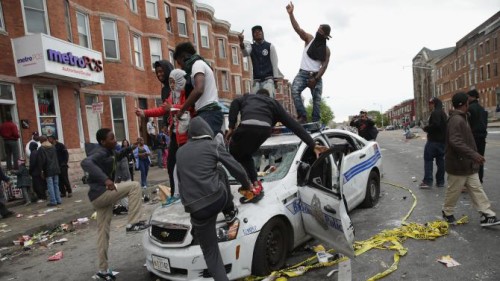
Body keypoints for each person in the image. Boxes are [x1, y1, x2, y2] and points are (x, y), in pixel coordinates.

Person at [176, 117, 252, 281]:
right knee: (220, 170)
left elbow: (183, 182)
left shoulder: (179, 152)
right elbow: (236, 168)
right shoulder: (212, 145)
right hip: (216, 199)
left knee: (211, 253)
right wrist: (248, 185)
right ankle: (229, 211)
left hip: (195, 209)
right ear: (206, 132)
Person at [226, 88, 328, 203]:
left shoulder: (249, 97)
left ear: (257, 95)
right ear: (269, 96)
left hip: (246, 126)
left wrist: (231, 126)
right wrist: (312, 144)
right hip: (264, 130)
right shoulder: (274, 104)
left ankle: (247, 185)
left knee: (233, 151)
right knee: (247, 155)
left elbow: (235, 103)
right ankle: (256, 185)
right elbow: (294, 125)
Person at [81, 128, 149, 280]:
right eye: (112, 138)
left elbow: (120, 154)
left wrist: (133, 146)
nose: (115, 140)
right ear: (103, 142)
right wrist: (105, 179)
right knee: (134, 186)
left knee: (103, 234)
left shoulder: (110, 152)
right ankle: (133, 222)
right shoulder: (100, 152)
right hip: (102, 194)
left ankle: (102, 271)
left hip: (98, 198)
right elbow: (86, 162)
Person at [136, 68, 194, 205]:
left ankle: (187, 192)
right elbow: (162, 109)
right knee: (172, 165)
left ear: (180, 81)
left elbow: (190, 108)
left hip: (186, 134)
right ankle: (176, 194)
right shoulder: (172, 95)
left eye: (174, 82)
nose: (172, 85)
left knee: (184, 165)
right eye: (170, 82)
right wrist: (144, 112)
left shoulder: (187, 92)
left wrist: (173, 107)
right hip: (176, 134)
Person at [442, 92, 500, 227]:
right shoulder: (456, 120)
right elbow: (455, 141)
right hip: (458, 164)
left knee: (477, 188)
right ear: (464, 104)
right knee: (453, 191)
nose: (470, 103)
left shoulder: (463, 117)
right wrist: (474, 155)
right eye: (468, 101)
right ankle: (447, 212)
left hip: (467, 164)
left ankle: (487, 215)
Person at [286, 2, 331, 124]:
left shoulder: (326, 50)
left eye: (320, 31)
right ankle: (302, 116)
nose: (318, 32)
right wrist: (291, 14)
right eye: (318, 29)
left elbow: (324, 66)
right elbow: (297, 29)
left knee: (316, 99)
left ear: (325, 36)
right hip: (303, 73)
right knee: (294, 90)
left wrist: (315, 79)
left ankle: (316, 121)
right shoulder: (309, 39)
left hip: (316, 75)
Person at [173, 42, 224, 136]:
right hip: (206, 113)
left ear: (184, 57)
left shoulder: (197, 64)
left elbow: (199, 89)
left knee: (202, 147)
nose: (182, 68)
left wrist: (182, 110)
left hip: (209, 113)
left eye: (180, 64)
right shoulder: (200, 64)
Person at [238, 25, 282, 97]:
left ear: (262, 33)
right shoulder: (251, 47)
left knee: (268, 98)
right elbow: (245, 53)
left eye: (259, 31)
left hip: (268, 79)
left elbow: (274, 63)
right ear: (253, 36)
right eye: (255, 32)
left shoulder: (270, 46)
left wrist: (276, 80)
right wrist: (241, 43)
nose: (258, 33)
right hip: (256, 80)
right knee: (256, 100)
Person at [419, 98, 447, 189]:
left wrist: (426, 128)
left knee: (428, 160)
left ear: (434, 104)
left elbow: (436, 125)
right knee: (440, 162)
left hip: (433, 141)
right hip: (442, 142)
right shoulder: (444, 113)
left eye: (430, 103)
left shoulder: (435, 113)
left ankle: (428, 181)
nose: (429, 105)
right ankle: (440, 181)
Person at [467, 90, 488, 183]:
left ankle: (472, 181)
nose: (467, 99)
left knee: (471, 159)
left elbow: (468, 124)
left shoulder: (469, 108)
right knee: (480, 158)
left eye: (468, 97)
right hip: (482, 137)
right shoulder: (482, 108)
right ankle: (480, 179)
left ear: (472, 97)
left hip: (473, 137)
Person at [37, 135, 61, 206]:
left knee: (50, 185)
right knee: (56, 185)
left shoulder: (41, 148)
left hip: (48, 169)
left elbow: (42, 160)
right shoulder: (52, 146)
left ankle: (53, 201)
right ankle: (58, 199)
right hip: (56, 168)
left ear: (41, 141)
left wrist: (41, 170)